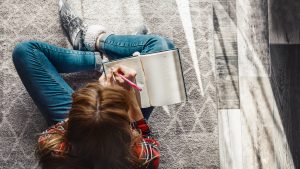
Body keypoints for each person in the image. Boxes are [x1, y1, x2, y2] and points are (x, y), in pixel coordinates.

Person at [12, 0, 175, 169]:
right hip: (103, 125)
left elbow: (74, 125)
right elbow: (146, 135)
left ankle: (94, 51)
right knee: (163, 49)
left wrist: (96, 107)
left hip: (94, 125)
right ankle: (100, 42)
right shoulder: (144, 159)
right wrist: (132, 103)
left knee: (25, 51)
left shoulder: (53, 149)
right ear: (126, 130)